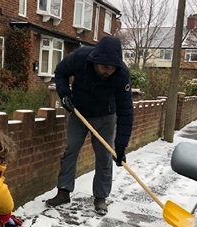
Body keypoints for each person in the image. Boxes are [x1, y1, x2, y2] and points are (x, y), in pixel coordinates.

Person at [46, 35, 134, 215]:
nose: (108, 72)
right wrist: (64, 94)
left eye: (112, 68)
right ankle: (63, 191)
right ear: (95, 61)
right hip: (78, 113)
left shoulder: (121, 75)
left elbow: (126, 111)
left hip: (105, 117)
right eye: (104, 67)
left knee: (104, 156)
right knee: (70, 150)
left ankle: (100, 198)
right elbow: (60, 72)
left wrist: (121, 147)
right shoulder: (81, 57)